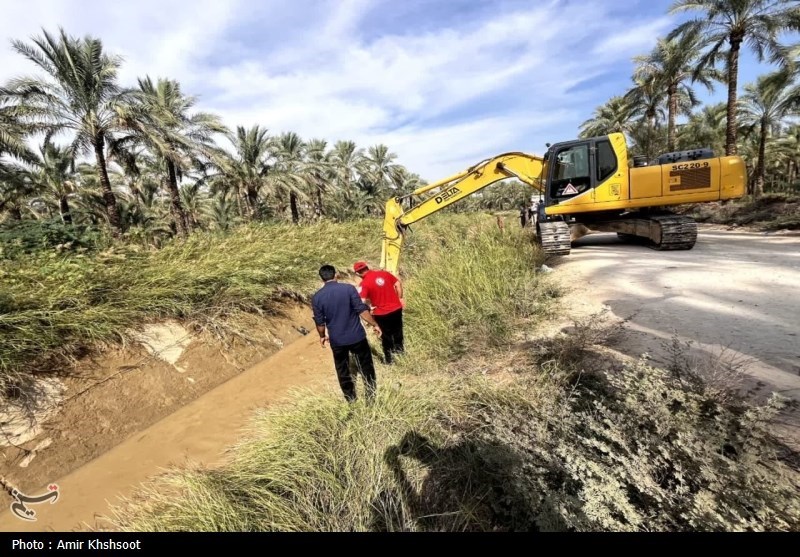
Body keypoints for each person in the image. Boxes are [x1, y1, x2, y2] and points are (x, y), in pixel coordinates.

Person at [311, 264, 383, 403]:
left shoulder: (317, 298)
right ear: (336, 275)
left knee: (342, 370)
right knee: (366, 366)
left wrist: (322, 336)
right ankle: (371, 396)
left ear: (322, 279)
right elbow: (361, 310)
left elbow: (320, 322)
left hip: (337, 340)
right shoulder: (348, 289)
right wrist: (375, 324)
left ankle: (351, 399)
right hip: (357, 337)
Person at [353, 260, 405, 364]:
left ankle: (390, 360)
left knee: (386, 336)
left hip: (381, 313)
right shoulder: (384, 273)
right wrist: (400, 298)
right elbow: (398, 284)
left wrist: (369, 309)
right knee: (398, 332)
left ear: (358, 273)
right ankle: (401, 354)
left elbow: (361, 301)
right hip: (396, 308)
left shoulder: (364, 284)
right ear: (367, 267)